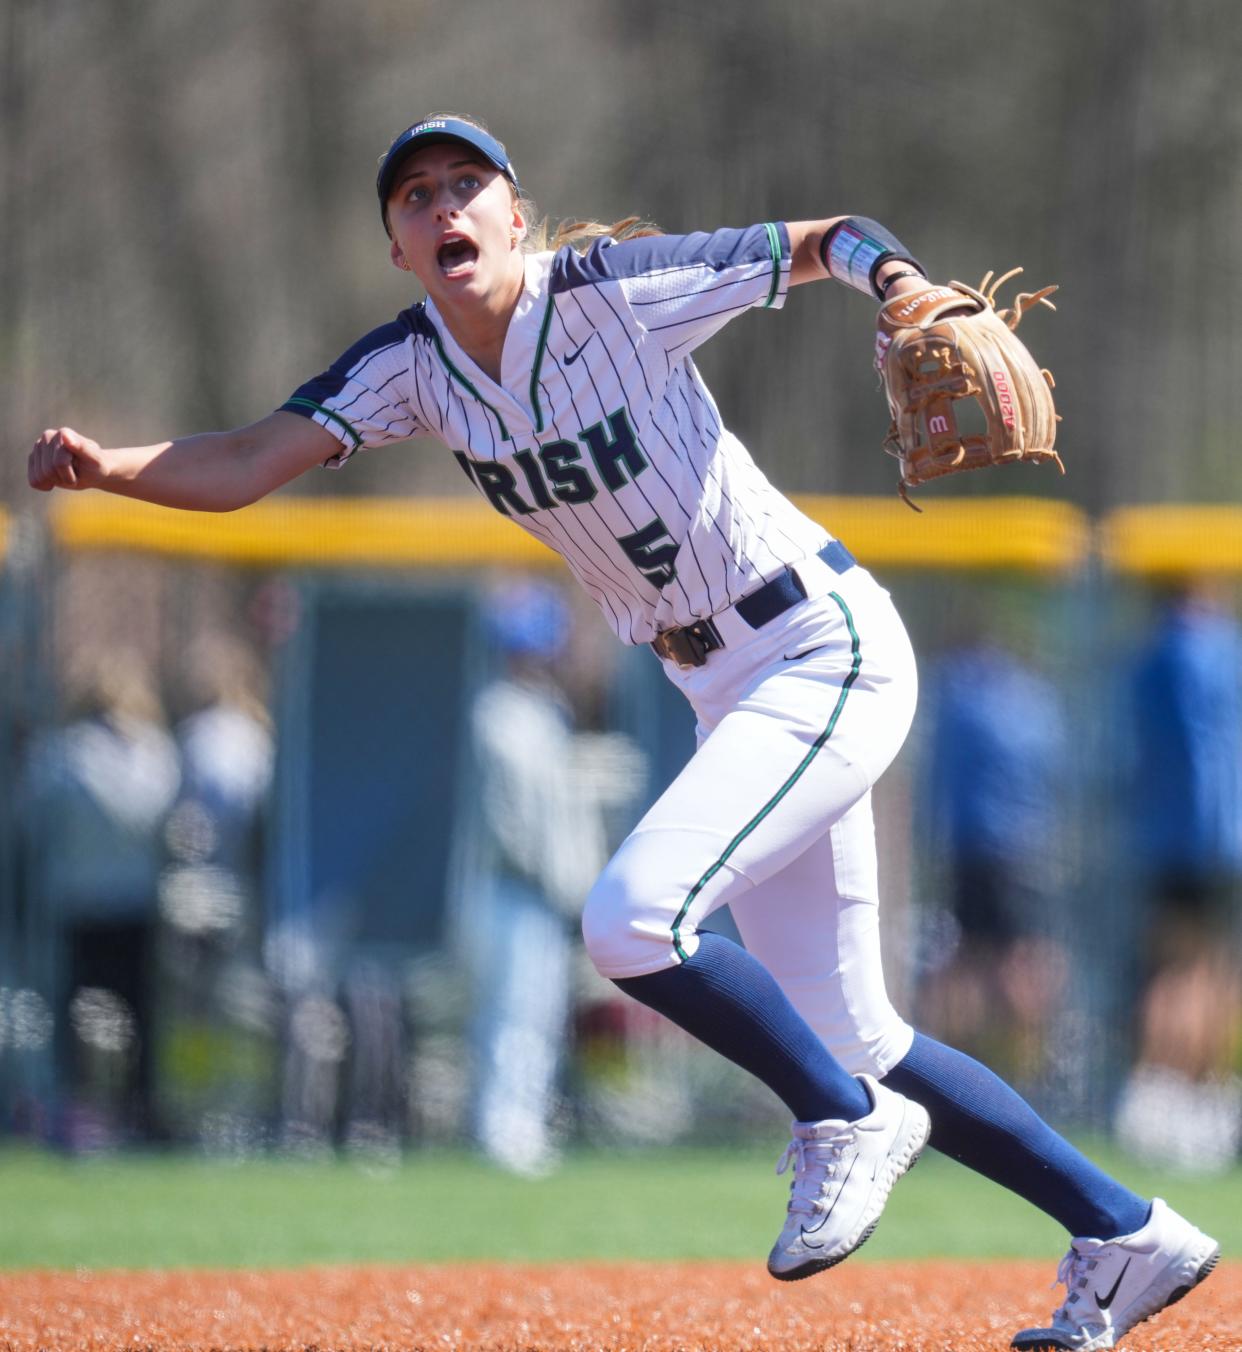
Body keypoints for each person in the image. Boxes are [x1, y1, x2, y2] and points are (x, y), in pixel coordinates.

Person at [28, 112, 1218, 1349]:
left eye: (465, 186)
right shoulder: (410, 364)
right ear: (395, 246)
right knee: (861, 1034)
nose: (444, 210)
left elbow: (824, 238)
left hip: (820, 647)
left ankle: (842, 1117)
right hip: (725, 685)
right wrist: (108, 466)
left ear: (516, 214)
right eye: (415, 197)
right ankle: (1128, 1231)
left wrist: (899, 279)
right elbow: (243, 456)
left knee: (632, 918)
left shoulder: (608, 293)